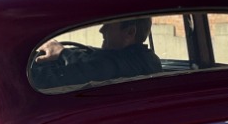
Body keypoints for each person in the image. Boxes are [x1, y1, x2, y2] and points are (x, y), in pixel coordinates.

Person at [32, 17, 162, 90]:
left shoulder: (114, 64)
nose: (101, 30)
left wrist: (61, 52)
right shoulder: (150, 60)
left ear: (129, 32)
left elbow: (96, 66)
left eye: (108, 25)